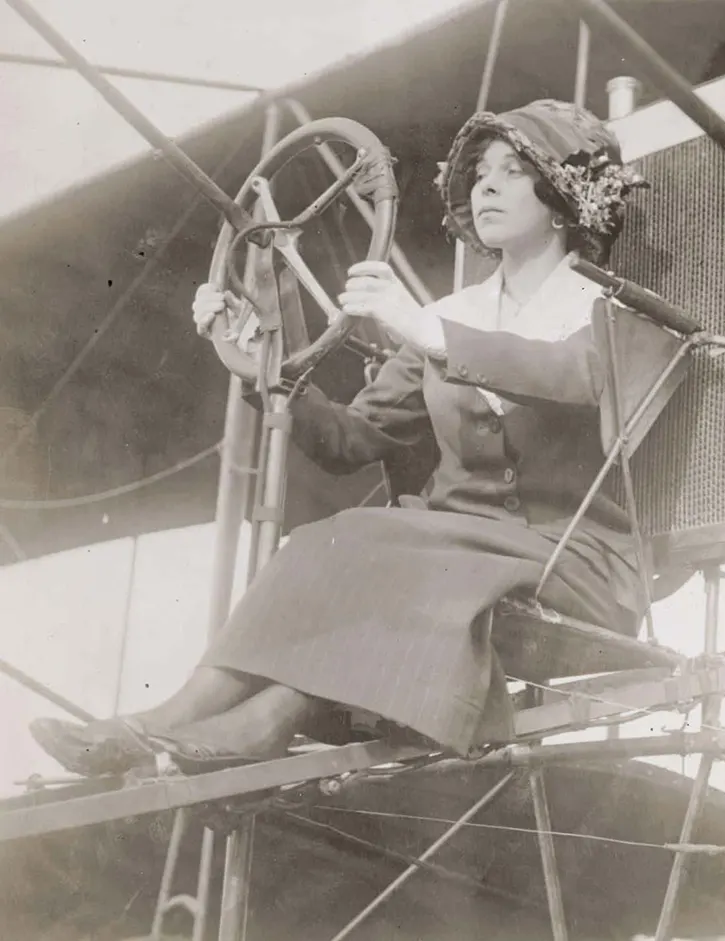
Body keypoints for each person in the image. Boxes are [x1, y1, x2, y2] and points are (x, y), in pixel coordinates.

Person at [31, 99, 648, 777]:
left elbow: (572, 377)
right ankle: (162, 721)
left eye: (512, 170)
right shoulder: (449, 315)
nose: (486, 186)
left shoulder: (608, 313)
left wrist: (425, 332)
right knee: (326, 538)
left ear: (561, 195)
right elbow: (349, 439)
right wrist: (261, 356)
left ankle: (267, 720)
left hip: (572, 556)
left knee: (376, 540)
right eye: (479, 173)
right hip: (451, 545)